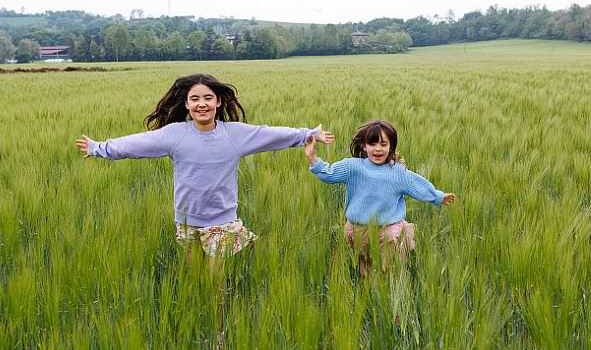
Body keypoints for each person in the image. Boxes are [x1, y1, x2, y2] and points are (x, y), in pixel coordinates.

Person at [75, 73, 334, 258]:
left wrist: (307, 134)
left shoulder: (234, 134)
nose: (202, 104)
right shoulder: (174, 133)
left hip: (220, 220)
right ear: (187, 104)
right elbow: (136, 144)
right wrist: (99, 148)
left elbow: (270, 134)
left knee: (215, 284)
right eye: (195, 99)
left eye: (208, 98)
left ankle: (218, 330)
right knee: (193, 277)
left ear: (218, 102)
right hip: (186, 220)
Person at [304, 120, 455, 277]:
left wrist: (438, 197)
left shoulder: (398, 172)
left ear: (391, 147)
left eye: (383, 144)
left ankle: (389, 292)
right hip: (357, 230)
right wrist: (313, 158)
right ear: (364, 146)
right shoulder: (353, 167)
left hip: (387, 231)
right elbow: (329, 173)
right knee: (365, 271)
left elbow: (417, 185)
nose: (378, 149)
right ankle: (369, 296)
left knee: (387, 271)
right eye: (372, 143)